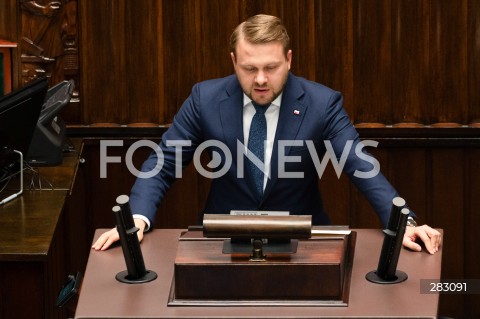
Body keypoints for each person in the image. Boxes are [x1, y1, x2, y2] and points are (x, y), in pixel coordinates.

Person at [92, 14, 441, 254]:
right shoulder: (206, 98)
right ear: (233, 62)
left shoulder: (321, 103)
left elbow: (359, 163)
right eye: (250, 68)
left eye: (271, 68)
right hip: (220, 241)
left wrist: (403, 220)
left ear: (289, 60)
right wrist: (136, 217)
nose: (260, 79)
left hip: (304, 242)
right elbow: (164, 161)